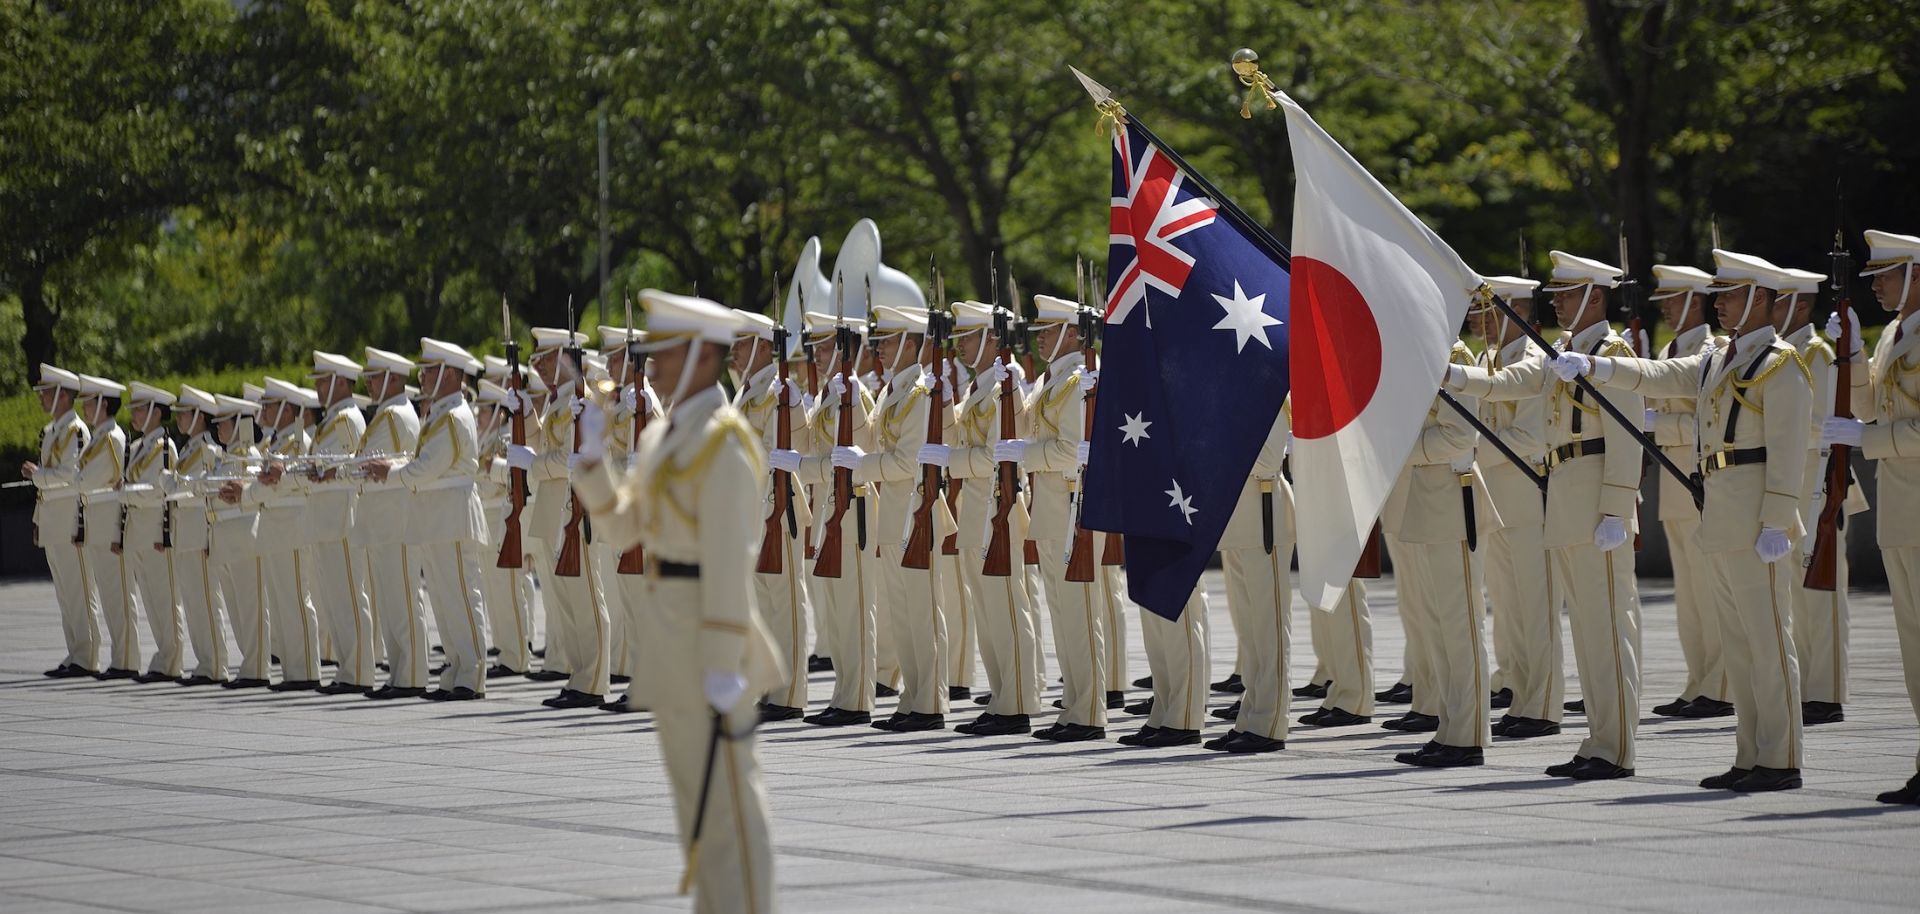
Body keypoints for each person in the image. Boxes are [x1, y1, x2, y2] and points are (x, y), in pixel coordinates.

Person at [1557, 248, 1814, 792]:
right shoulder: (1720, 358)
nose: (1720, 305)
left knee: (1768, 638)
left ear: (1763, 299)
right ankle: (1752, 753)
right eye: (1718, 296)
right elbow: (1662, 372)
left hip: (1756, 518)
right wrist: (1598, 366)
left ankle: (1782, 757)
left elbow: (1791, 451)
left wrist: (1777, 520)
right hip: (1721, 512)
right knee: (1741, 642)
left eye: (1732, 295)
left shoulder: (1780, 364)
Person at [574, 289, 779, 914]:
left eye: (665, 353)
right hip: (669, 636)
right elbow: (624, 528)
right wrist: (591, 465)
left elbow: (728, 557)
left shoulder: (725, 441)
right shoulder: (669, 433)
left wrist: (723, 659)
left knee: (730, 811)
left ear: (703, 358)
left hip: (707, 638)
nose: (652, 366)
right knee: (696, 806)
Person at [1444, 251, 1645, 780]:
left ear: (1596, 297)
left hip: (1595, 505)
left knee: (1605, 630)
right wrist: (1455, 377)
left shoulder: (1611, 353)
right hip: (1567, 502)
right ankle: (1600, 739)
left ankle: (1615, 746)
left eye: (1566, 290)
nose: (1554, 299)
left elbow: (1626, 436)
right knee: (1587, 632)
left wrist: (1617, 508)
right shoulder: (1564, 352)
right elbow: (1513, 386)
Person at [1820, 228, 1920, 805]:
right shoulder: (1892, 339)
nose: (1876, 284)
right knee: (1913, 652)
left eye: (1885, 274)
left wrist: (1871, 439)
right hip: (1901, 517)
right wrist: (1854, 354)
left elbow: (1881, 426)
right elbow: (1862, 405)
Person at [835, 298, 956, 733]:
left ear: (909, 343)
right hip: (894, 515)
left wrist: (861, 465)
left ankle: (931, 701)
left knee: (923, 611)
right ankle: (912, 697)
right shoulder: (894, 391)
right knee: (903, 614)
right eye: (879, 342)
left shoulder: (923, 392)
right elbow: (876, 439)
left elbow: (907, 461)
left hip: (915, 513)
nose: (878, 350)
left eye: (886, 341)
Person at [998, 294, 1110, 742]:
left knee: (1080, 616)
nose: (1039, 338)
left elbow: (1070, 453)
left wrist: (1027, 453)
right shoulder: (1054, 381)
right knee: (1064, 617)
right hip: (1050, 511)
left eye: (1047, 330)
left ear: (1071, 333)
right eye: (1039, 330)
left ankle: (1089, 712)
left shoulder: (1078, 381)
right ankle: (1074, 707)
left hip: (1070, 509)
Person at [1385, 344, 1499, 768]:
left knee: (1462, 627)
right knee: (1439, 628)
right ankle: (1451, 728)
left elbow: (1459, 434)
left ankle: (1468, 735)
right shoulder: (1415, 350)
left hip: (1456, 504)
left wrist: (1398, 447)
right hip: (1430, 507)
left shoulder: (1455, 358)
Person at [365, 339, 494, 700]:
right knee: (444, 598)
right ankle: (456, 669)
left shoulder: (455, 416)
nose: (422, 377)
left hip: (452, 515)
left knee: (461, 598)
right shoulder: (442, 414)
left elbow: (427, 467)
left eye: (430, 371)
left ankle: (471, 674)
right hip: (439, 516)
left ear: (450, 374)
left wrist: (389, 472)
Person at [944, 301, 1045, 735]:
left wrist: (953, 461)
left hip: (997, 510)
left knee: (1007, 606)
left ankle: (1016, 701)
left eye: (968, 337)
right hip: (975, 511)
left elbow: (995, 456)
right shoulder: (979, 388)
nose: (961, 346)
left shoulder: (1006, 386)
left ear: (989, 339)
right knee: (987, 612)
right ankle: (1003, 695)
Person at [1468, 281, 1564, 737]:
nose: (1476, 321)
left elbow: (1529, 439)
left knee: (1536, 607)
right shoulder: (1495, 360)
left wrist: (1471, 452)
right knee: (1508, 607)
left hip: (1528, 498)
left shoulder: (1534, 360)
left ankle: (1542, 706)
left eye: (1486, 311)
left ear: (1516, 310)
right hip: (1498, 499)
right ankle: (1520, 694)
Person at [1638, 265, 1734, 720]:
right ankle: (1698, 680)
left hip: (1698, 481)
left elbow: (1711, 422)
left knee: (1709, 592)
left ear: (1694, 302)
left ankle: (1720, 685)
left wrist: (1663, 425)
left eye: (1672, 301)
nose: (1666, 310)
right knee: (1689, 597)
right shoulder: (1670, 348)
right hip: (1674, 486)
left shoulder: (1711, 351)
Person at [1773, 267, 1867, 726]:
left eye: (1777, 301)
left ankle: (1826, 691)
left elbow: (1830, 423)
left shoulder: (1818, 354)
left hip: (1819, 481)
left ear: (1800, 305)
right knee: (1795, 591)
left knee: (1823, 590)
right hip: (1794, 480)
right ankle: (1807, 684)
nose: (1769, 310)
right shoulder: (1785, 355)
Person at [734, 308, 815, 722]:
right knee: (764, 603)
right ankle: (768, 688)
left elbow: (778, 454)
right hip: (752, 508)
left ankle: (790, 693)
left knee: (785, 601)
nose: (733, 352)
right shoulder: (750, 391)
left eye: (742, 344)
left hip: (777, 506)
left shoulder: (783, 393)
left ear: (764, 348)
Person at [1207, 412, 1291, 753]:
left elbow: (1268, 459)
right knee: (1253, 633)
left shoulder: (1267, 391)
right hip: (1242, 517)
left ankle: (1269, 723)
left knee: (1269, 628)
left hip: (1264, 516)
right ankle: (1252, 715)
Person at [353, 348, 426, 699]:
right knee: (392, 599)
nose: (368, 382)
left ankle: (410, 674)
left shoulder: (396, 416)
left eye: (375, 376)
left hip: (397, 518)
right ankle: (401, 673)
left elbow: (384, 466)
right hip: (385, 520)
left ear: (393, 378)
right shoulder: (388, 414)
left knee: (402, 600)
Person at [305, 352, 377, 694]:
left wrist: (328, 472)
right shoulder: (332, 420)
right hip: (325, 518)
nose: (318, 388)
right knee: (336, 599)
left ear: (339, 382)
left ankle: (358, 670)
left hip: (343, 518)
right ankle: (348, 668)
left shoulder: (348, 419)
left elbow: (355, 466)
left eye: (323, 381)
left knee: (349, 596)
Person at [22, 365, 99, 677]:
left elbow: (71, 477)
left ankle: (87, 656)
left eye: (47, 394)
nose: (42, 399)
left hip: (71, 520)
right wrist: (39, 518)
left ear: (63, 396)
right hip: (55, 519)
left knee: (79, 589)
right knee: (66, 592)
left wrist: (38, 476)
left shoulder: (75, 431)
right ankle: (75, 652)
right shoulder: (54, 430)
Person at [74, 374, 140, 678]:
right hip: (97, 520)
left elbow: (96, 478)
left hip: (110, 519)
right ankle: (120, 658)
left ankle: (126, 660)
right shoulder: (100, 437)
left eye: (90, 402)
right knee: (110, 595)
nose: (86, 408)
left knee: (119, 594)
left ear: (103, 404)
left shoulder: (111, 438)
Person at [210, 392, 271, 688]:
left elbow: (249, 494)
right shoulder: (227, 457)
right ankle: (250, 664)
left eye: (224, 422)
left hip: (246, 537)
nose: (218, 428)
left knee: (251, 608)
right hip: (225, 537)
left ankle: (257, 668)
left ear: (239, 424)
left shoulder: (250, 456)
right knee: (237, 609)